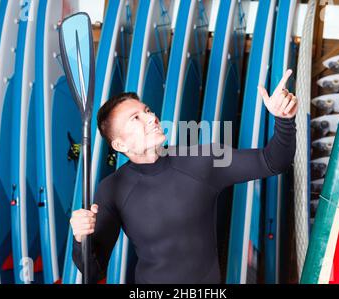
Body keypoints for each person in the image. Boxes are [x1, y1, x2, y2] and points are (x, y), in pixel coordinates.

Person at [71, 69, 298, 284]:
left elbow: (272, 161)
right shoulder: (112, 188)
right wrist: (80, 239)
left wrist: (284, 119)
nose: (152, 118)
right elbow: (93, 271)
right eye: (136, 118)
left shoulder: (202, 160)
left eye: (148, 111)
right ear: (120, 144)